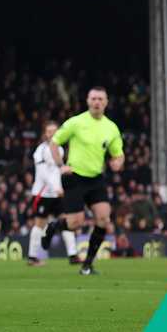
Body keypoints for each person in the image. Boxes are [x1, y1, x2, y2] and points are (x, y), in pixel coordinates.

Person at [43, 87, 125, 275]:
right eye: (93, 98)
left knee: (104, 218)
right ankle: (54, 226)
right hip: (75, 177)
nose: (97, 102)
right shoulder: (76, 122)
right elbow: (55, 142)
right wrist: (60, 165)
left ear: (106, 102)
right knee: (75, 223)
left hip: (96, 178)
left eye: (100, 99)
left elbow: (118, 154)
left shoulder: (111, 128)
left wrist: (118, 163)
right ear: (88, 101)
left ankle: (87, 265)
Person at [26, 122, 78, 266]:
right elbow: (43, 174)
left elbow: (56, 172)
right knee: (39, 224)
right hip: (43, 194)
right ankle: (32, 257)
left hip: (57, 194)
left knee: (66, 221)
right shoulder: (40, 151)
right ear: (45, 134)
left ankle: (73, 255)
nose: (52, 134)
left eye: (55, 131)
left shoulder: (60, 150)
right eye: (49, 131)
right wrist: (56, 187)